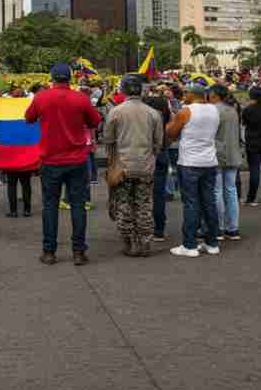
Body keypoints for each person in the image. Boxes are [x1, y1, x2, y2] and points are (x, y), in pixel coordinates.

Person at [24, 63, 102, 266]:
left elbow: (28, 118)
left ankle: (49, 252)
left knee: (50, 206)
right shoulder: (81, 99)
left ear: (52, 78)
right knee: (78, 206)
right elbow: (95, 121)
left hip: (50, 159)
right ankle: (79, 251)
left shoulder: (42, 97)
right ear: (70, 78)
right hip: (76, 159)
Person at [103, 77, 163, 257]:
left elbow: (108, 140)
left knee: (124, 205)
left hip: (122, 167)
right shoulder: (153, 113)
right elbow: (158, 143)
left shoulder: (115, 112)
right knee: (144, 205)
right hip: (145, 167)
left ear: (124, 91)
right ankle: (145, 244)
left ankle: (129, 243)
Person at [166, 84, 221, 258]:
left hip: (189, 162)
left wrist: (170, 121)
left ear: (191, 94)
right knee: (209, 202)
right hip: (209, 161)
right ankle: (212, 243)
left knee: (191, 203)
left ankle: (189, 245)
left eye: (185, 93)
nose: (183, 96)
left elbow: (172, 134)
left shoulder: (185, 111)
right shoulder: (214, 110)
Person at [209, 84, 242, 240]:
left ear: (214, 94)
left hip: (217, 154)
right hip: (233, 152)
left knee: (217, 191)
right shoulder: (232, 109)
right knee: (231, 190)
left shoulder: (214, 110)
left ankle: (219, 227)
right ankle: (233, 227)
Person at [141, 93, 172, 241]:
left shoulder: (145, 117)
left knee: (142, 194)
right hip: (162, 154)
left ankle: (142, 227)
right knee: (159, 194)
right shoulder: (166, 115)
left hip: (145, 155)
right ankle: (159, 229)